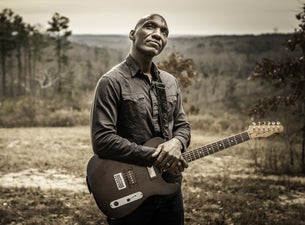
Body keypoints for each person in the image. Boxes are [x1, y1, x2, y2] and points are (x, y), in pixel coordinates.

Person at [90, 13, 191, 225]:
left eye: (164, 32)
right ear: (133, 34)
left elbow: (182, 126)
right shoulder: (111, 81)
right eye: (150, 27)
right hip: (130, 189)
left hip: (169, 187)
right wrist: (158, 156)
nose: (158, 34)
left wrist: (176, 142)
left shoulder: (170, 82)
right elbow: (103, 140)